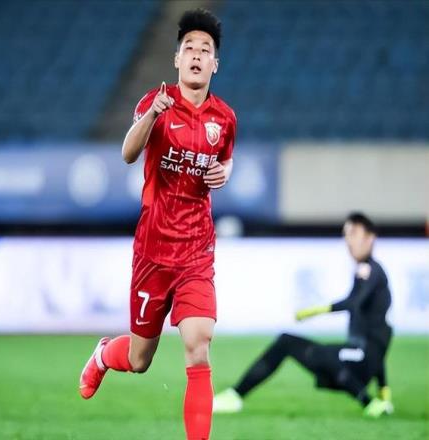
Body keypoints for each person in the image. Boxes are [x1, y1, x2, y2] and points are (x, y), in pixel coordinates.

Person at [79, 9, 236, 440]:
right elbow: (128, 153)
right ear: (177, 59)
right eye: (190, 48)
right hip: (153, 250)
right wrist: (151, 116)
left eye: (206, 50)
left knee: (199, 346)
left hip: (197, 251)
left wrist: (224, 172)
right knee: (140, 358)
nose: (197, 55)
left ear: (215, 64)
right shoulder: (155, 102)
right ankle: (103, 356)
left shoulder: (224, 118)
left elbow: (225, 160)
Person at [214, 212, 394, 418]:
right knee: (287, 342)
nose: (348, 240)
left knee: (325, 355)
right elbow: (378, 340)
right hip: (359, 356)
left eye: (353, 233)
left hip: (361, 358)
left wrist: (315, 311)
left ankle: (369, 403)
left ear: (370, 238)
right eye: (345, 234)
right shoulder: (368, 272)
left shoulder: (370, 270)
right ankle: (234, 396)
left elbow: (355, 306)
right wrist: (385, 391)